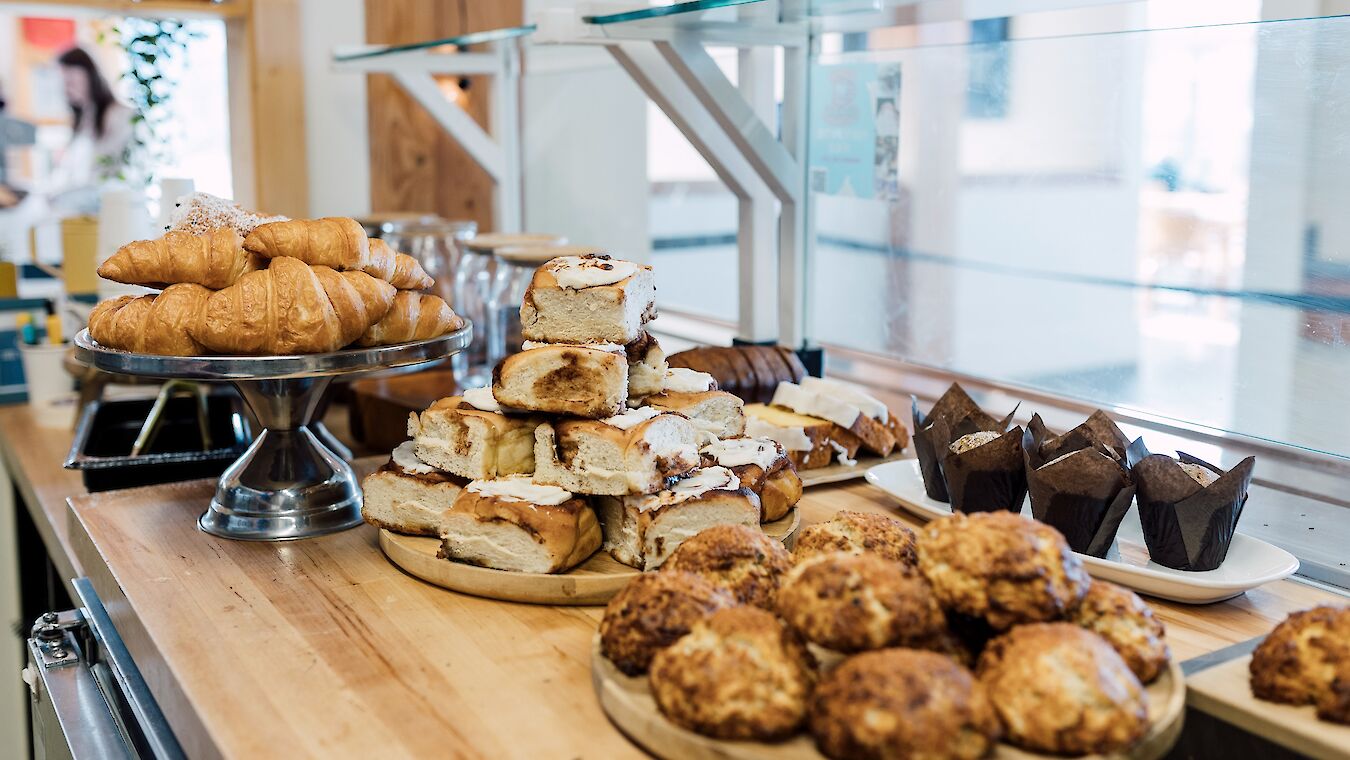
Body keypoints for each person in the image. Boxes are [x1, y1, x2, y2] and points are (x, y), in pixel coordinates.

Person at [49, 47, 134, 209]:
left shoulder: (120, 115)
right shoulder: (83, 119)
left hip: (113, 207)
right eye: (63, 84)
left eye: (71, 82)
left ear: (90, 76)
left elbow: (107, 174)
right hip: (84, 209)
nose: (67, 90)